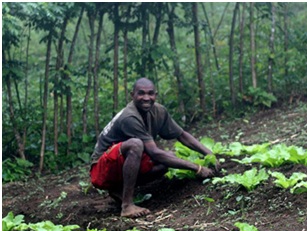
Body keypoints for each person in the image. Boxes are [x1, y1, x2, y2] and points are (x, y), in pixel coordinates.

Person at [90, 77, 219, 218]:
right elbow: (154, 153)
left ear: (156, 95)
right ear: (132, 95)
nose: (146, 98)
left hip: (118, 164)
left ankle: (119, 189)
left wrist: (210, 154)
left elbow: (181, 135)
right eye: (141, 93)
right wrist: (197, 168)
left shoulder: (159, 111)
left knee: (167, 160)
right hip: (101, 170)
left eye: (150, 93)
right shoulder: (129, 117)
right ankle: (127, 206)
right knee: (137, 145)